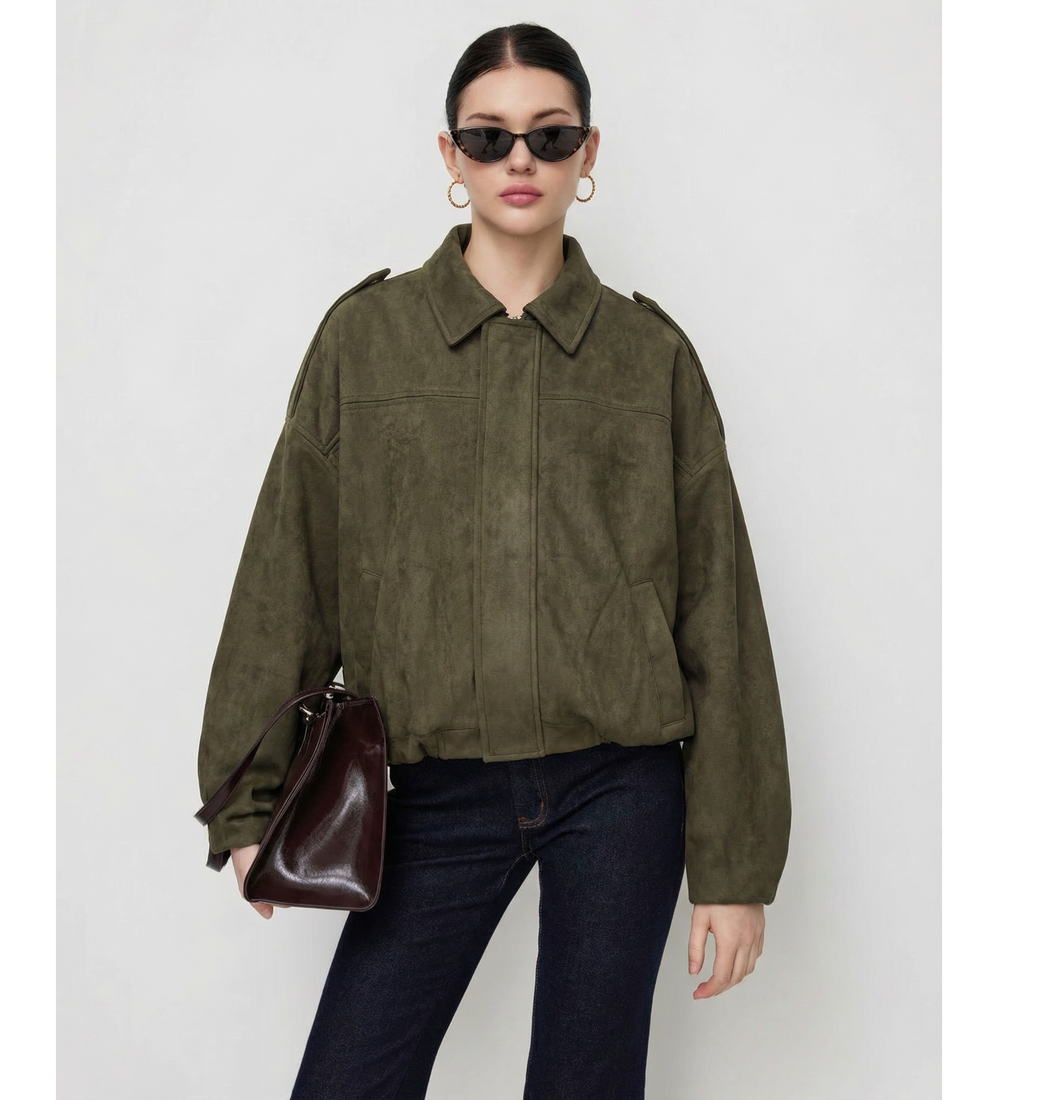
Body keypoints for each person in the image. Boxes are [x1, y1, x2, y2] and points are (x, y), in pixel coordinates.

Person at [196, 22, 792, 1100]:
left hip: (619, 788)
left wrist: (735, 864)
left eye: (549, 135)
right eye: (489, 135)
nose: (520, 159)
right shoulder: (365, 342)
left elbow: (719, 610)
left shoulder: (648, 357)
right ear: (450, 155)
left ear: (587, 151)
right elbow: (291, 568)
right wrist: (248, 798)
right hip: (429, 792)